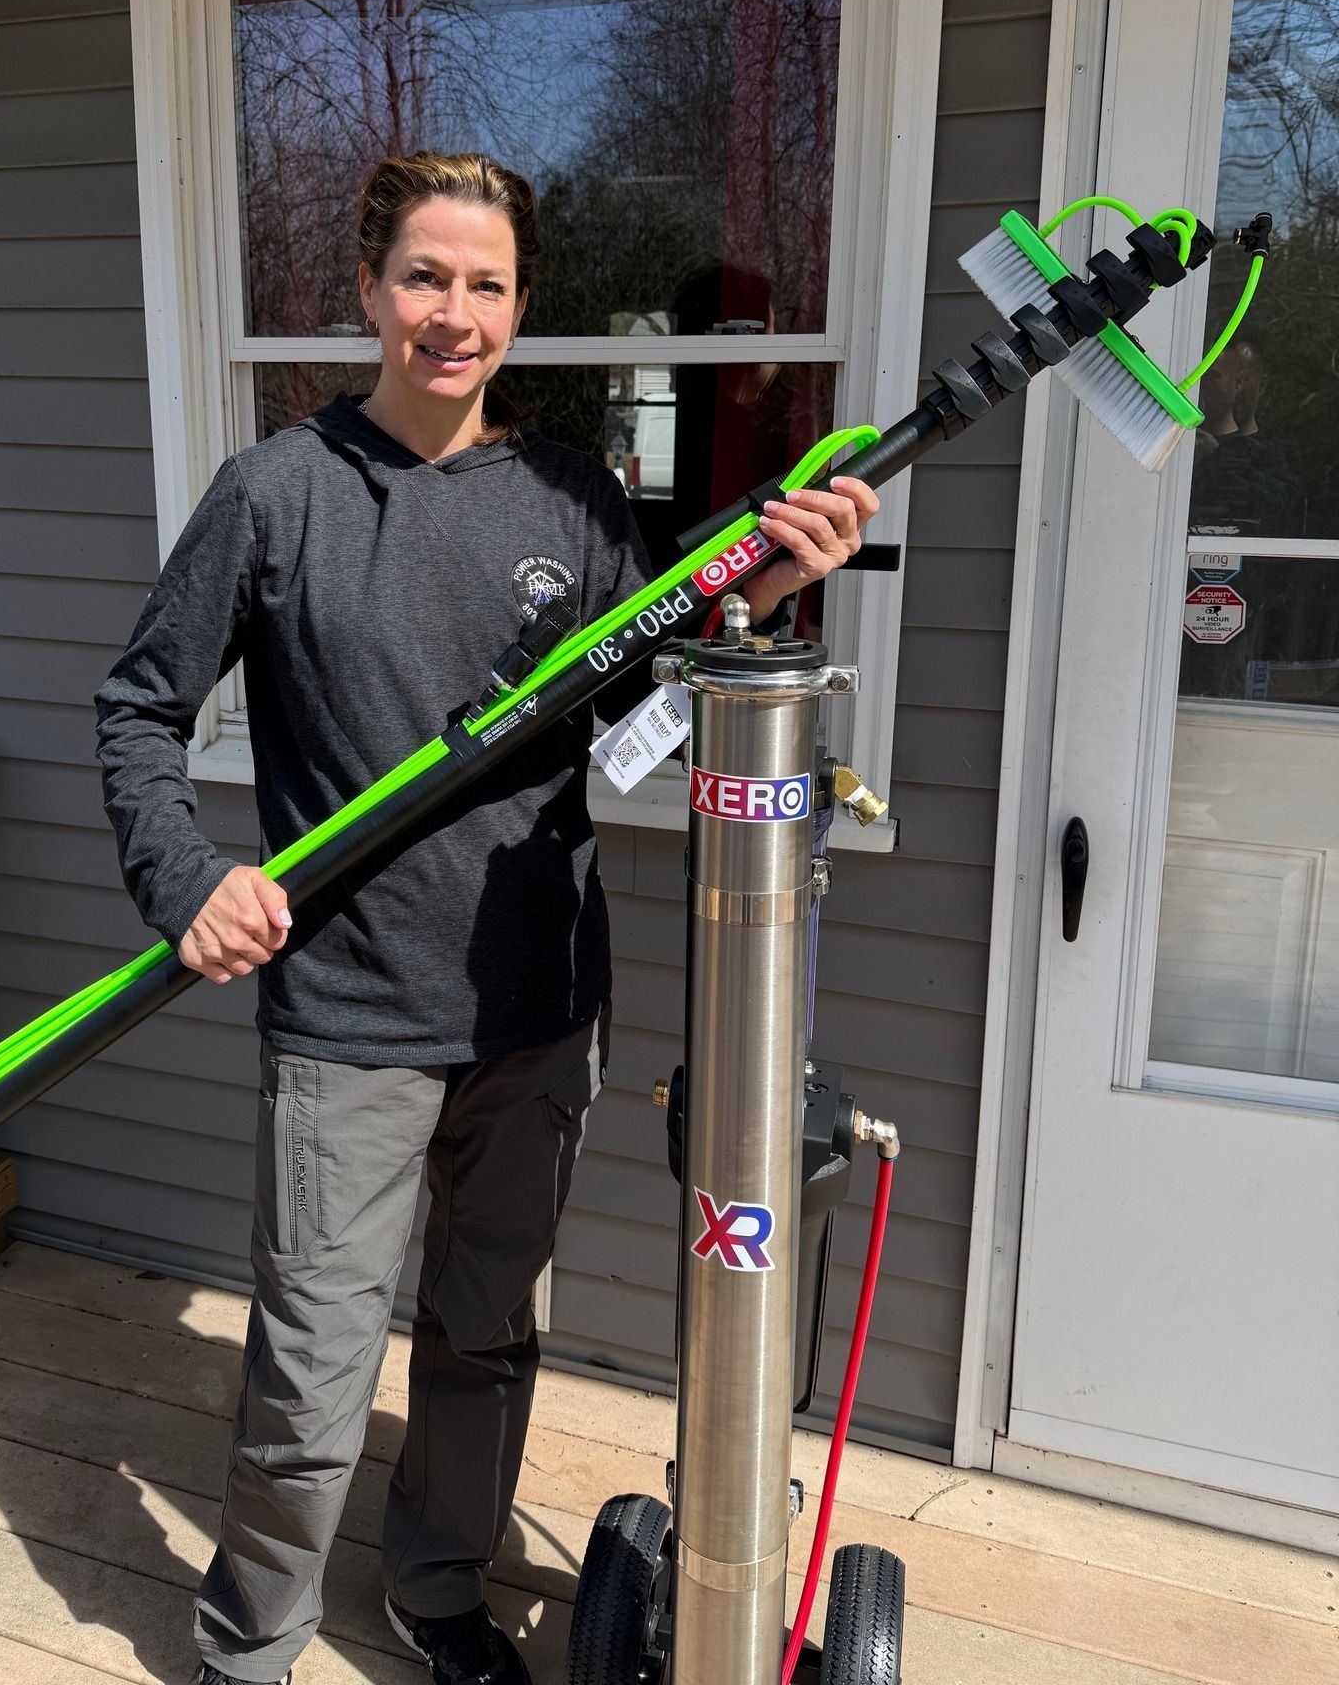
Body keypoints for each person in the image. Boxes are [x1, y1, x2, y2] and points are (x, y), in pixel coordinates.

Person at [94, 151, 879, 1685]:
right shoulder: (278, 494)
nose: (455, 315)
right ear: (371, 290)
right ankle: (251, 1646)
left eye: (489, 285)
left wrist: (770, 593)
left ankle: (437, 1592)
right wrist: (187, 883)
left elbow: (655, 684)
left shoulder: (572, 497)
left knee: (484, 1340)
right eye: (426, 278)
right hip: (346, 1021)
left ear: (521, 305)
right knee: (312, 1380)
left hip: (533, 1014)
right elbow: (137, 708)